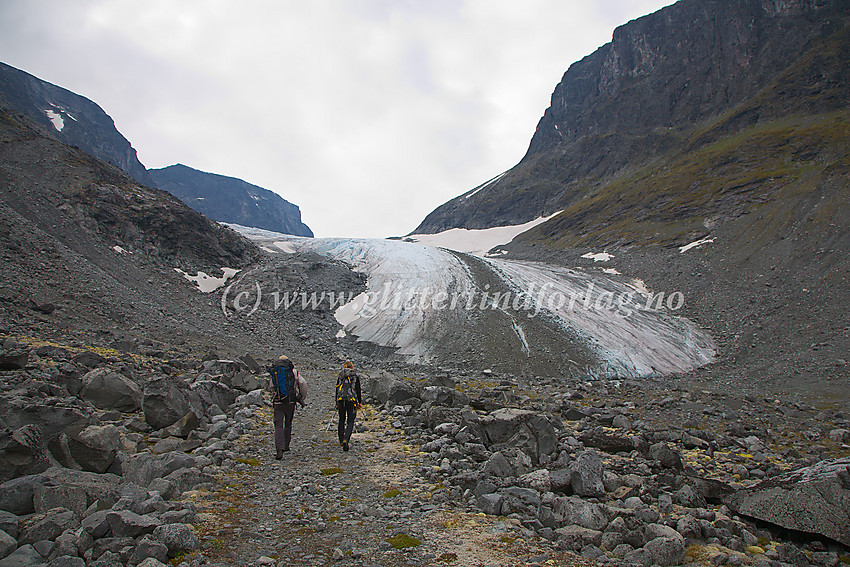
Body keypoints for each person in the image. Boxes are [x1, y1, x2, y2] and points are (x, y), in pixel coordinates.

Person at [268, 355, 308, 459]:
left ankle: (279, 449)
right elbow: (303, 384)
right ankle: (286, 445)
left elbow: (272, 386)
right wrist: (301, 398)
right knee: (288, 423)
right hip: (290, 400)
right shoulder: (293, 371)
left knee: (278, 425)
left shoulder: (276, 371)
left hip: (278, 401)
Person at [335, 361, 361, 452]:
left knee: (341, 419)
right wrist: (359, 402)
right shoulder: (354, 375)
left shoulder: (341, 375)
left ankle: (341, 440)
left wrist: (336, 402)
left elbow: (337, 388)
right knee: (350, 420)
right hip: (351, 400)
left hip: (341, 400)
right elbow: (358, 390)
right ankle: (346, 439)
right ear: (351, 367)